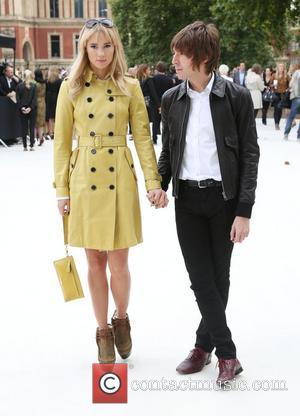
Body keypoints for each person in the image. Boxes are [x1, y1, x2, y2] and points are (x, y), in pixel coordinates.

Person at [53, 18, 168, 364]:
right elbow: (60, 143)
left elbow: (144, 138)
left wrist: (152, 182)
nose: (100, 53)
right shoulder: (69, 87)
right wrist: (61, 190)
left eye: (107, 45)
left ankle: (121, 317)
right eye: (93, 46)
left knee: (119, 260)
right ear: (84, 49)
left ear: (115, 48)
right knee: (94, 259)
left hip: (120, 173)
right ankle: (102, 329)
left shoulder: (130, 86)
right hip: (82, 180)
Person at [158, 21, 259, 386]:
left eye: (180, 54)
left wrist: (244, 211)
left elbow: (250, 155)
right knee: (201, 278)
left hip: (224, 200)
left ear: (201, 57)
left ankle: (204, 348)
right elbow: (169, 151)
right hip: (187, 200)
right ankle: (227, 353)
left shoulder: (236, 97)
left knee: (218, 278)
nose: (174, 60)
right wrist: (160, 184)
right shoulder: (172, 99)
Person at [152, 61, 174, 144]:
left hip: (155, 103)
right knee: (166, 123)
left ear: (157, 69)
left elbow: (153, 92)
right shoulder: (169, 80)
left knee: (155, 122)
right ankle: (166, 140)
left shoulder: (153, 79)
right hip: (167, 103)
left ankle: (154, 139)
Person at [16, 69, 37, 151]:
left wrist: (22, 107)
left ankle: (25, 146)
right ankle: (32, 145)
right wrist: (30, 108)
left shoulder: (19, 86)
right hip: (32, 109)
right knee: (31, 127)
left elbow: (18, 99)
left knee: (24, 127)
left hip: (23, 109)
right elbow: (34, 99)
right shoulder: (34, 86)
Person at [136, 64, 160, 130]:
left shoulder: (138, 80)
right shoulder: (149, 80)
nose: (150, 71)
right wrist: (159, 105)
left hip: (141, 102)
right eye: (148, 70)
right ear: (145, 71)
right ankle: (153, 137)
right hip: (150, 102)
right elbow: (153, 92)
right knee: (154, 120)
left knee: (144, 122)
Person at [283, 64, 300, 140]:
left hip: (296, 97)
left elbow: (290, 84)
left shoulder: (296, 73)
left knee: (291, 116)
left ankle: (286, 134)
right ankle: (299, 136)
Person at [46, 66, 62, 140]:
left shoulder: (48, 80)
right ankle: (57, 132)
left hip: (49, 99)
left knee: (50, 117)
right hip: (57, 98)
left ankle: (51, 132)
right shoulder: (59, 81)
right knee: (57, 116)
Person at [273, 63, 290, 130]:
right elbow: (271, 84)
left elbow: (290, 84)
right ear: (278, 68)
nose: (281, 68)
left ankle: (278, 123)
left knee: (279, 109)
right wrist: (273, 86)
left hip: (283, 94)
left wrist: (287, 89)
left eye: (282, 67)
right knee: (276, 109)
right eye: (280, 67)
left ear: (284, 68)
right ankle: (276, 124)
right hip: (276, 94)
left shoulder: (286, 76)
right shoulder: (274, 75)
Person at [34, 68, 46, 146]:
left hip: (36, 102)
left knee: (35, 121)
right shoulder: (44, 83)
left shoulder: (35, 84)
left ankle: (34, 138)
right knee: (41, 121)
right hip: (43, 102)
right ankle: (41, 137)